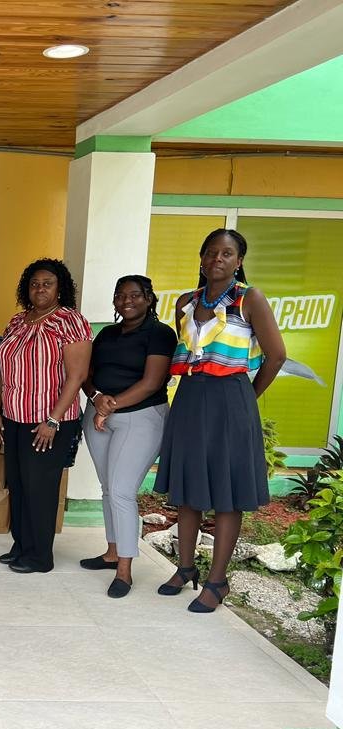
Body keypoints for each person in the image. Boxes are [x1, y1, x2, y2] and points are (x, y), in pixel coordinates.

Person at [154, 229, 286, 612]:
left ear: (239, 261)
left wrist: (245, 396)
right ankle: (185, 567)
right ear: (201, 258)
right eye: (211, 252)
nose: (218, 259)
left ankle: (217, 581)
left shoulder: (250, 299)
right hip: (191, 398)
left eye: (227, 253)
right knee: (189, 486)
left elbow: (276, 356)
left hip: (231, 397)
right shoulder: (186, 301)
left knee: (227, 494)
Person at [0, 258, 91, 574]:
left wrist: (53, 419)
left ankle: (40, 556)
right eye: (35, 283)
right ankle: (21, 544)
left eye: (47, 283)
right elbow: (4, 367)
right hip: (14, 416)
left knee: (40, 487)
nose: (40, 288)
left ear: (60, 287)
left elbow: (76, 376)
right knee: (19, 484)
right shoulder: (18, 321)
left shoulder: (70, 321)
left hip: (47, 421)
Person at [80, 275, 176, 597]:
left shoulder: (160, 334)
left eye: (134, 295)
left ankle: (125, 570)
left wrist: (112, 405)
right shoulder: (106, 334)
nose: (126, 301)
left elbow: (151, 382)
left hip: (141, 417)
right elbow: (86, 375)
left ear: (149, 298)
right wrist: (96, 399)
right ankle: (111, 553)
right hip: (99, 417)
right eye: (120, 296)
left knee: (122, 490)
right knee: (109, 487)